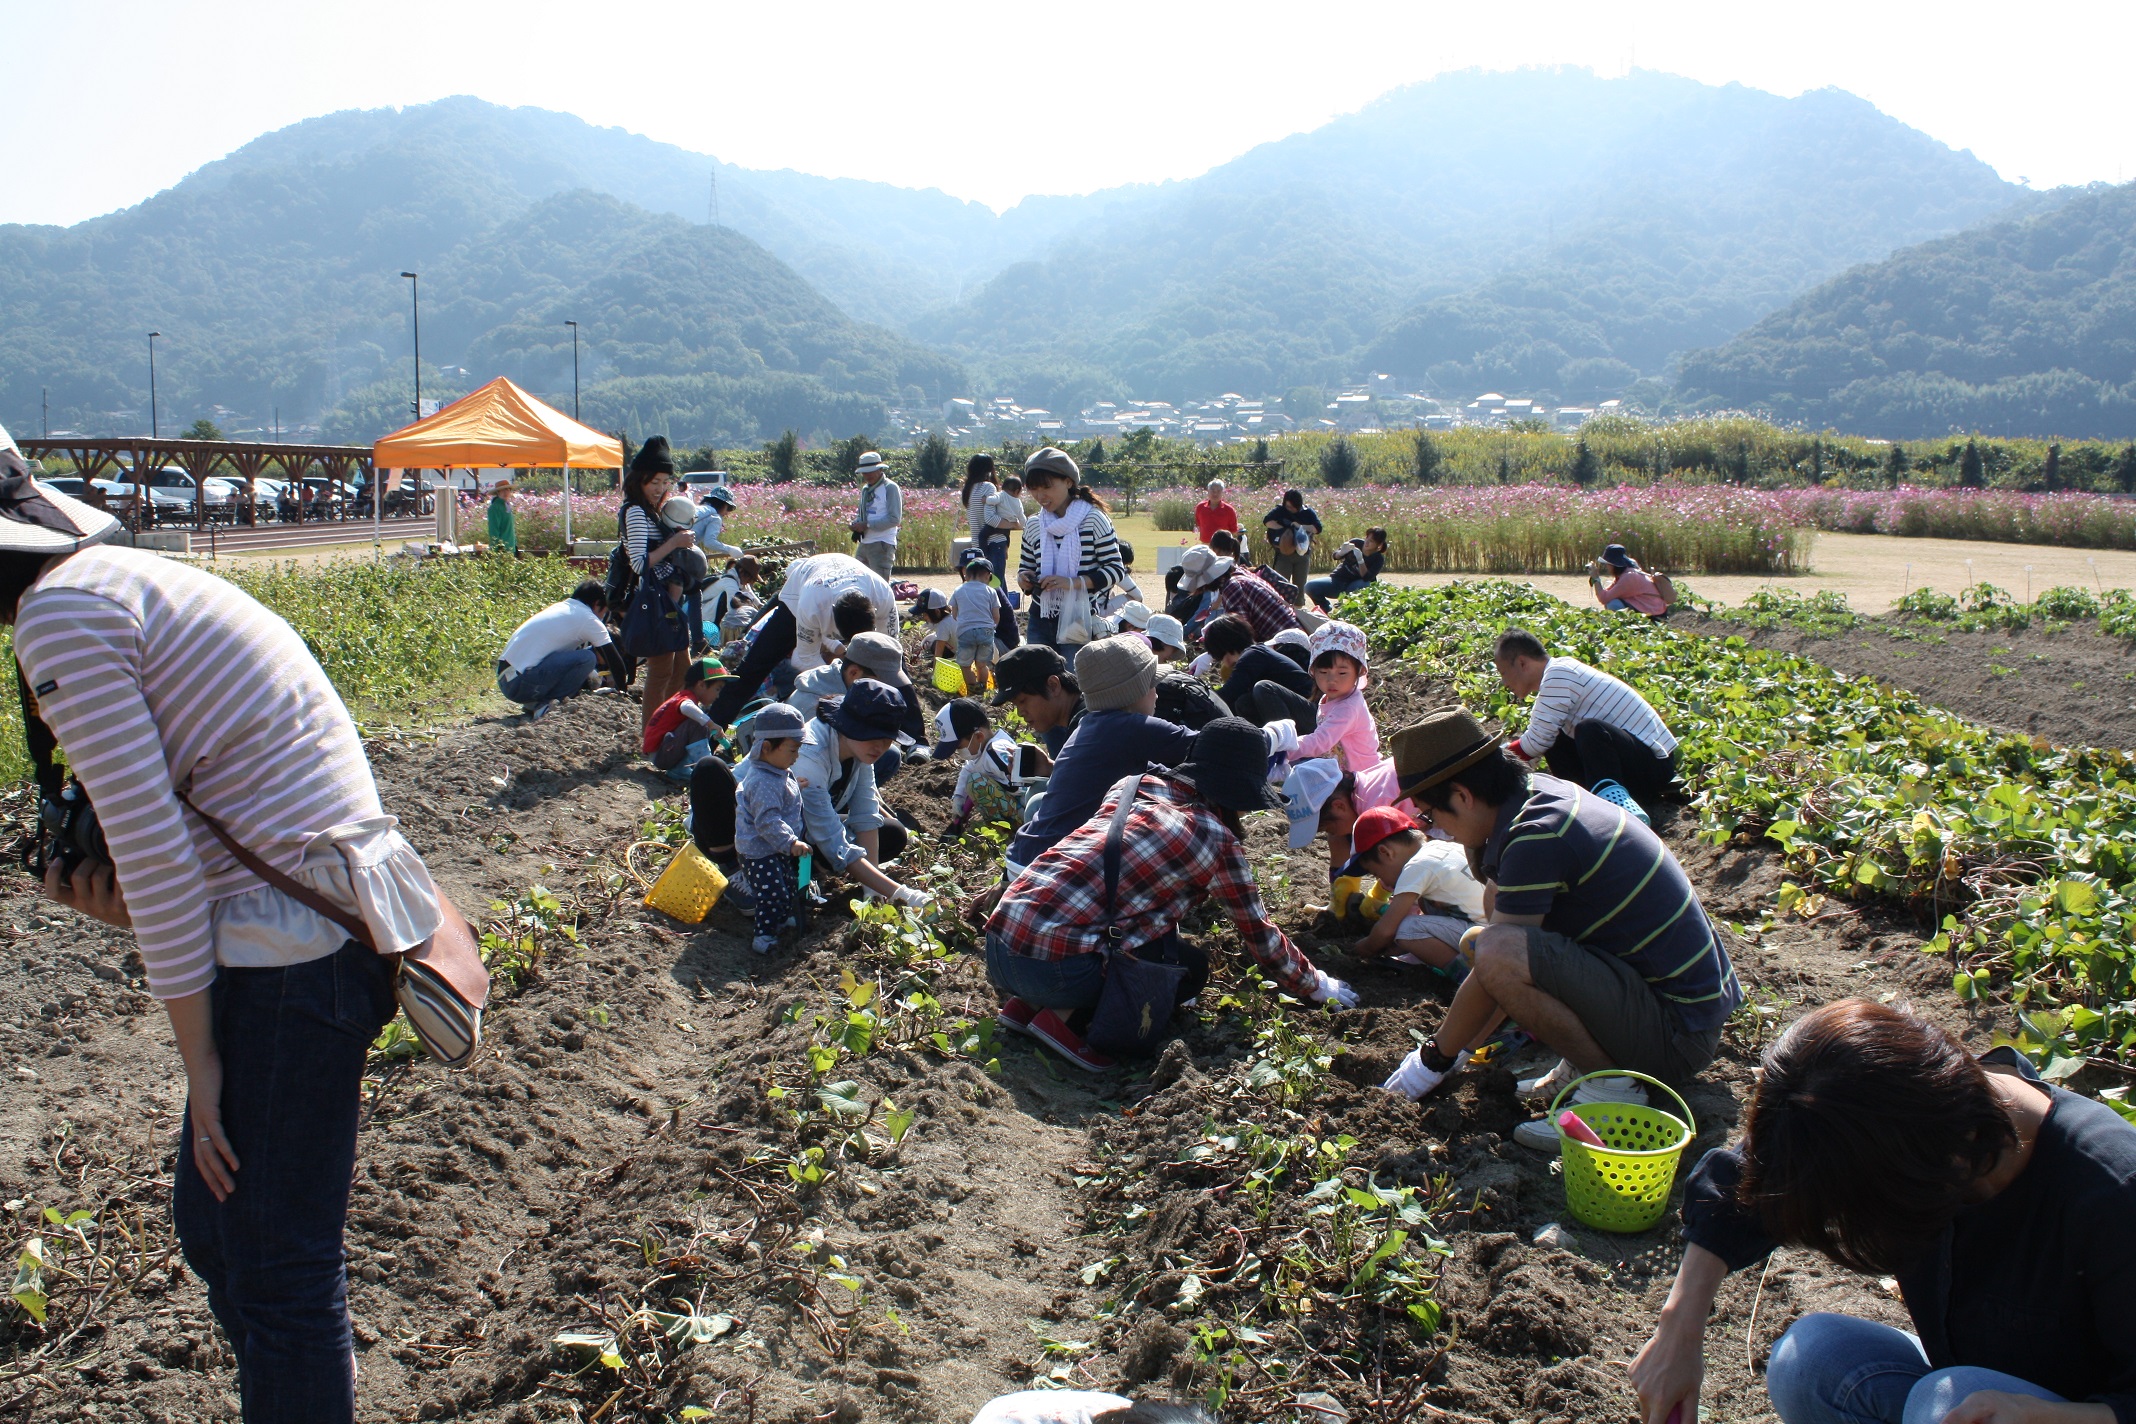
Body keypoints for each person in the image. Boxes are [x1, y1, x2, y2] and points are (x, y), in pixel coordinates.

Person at [4, 434, 445, 1424]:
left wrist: (198, 1061)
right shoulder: (114, 581)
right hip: (315, 923)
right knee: (214, 1227)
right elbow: (185, 834)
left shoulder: (63, 616)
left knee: (277, 1270)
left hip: (293, 951)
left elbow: (157, 853)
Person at [1630, 999, 2136, 1424]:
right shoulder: (1900, 1115)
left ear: (1925, 1174)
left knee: (1951, 1399)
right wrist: (1679, 1329)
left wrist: (2041, 1416)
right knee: (1811, 1357)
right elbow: (1742, 1186)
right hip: (1960, 1389)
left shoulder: (2112, 1192)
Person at [1376, 709, 1742, 1151]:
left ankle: (1612, 1091)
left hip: (1678, 1034)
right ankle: (1591, 1064)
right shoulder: (1538, 795)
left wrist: (1434, 1057)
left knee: (1496, 949)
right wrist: (1463, 1049)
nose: (1437, 831)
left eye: (1432, 814)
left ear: (1464, 795)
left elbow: (1502, 963)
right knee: (1488, 935)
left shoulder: (1537, 835)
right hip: (1678, 1007)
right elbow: (1499, 929)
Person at [986, 717, 1360, 1070]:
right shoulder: (1216, 838)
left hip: (999, 944)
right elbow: (1258, 934)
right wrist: (1315, 984)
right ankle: (1065, 1022)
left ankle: (1027, 1006)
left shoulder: (1133, 785)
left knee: (1112, 914)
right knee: (1188, 970)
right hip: (1054, 972)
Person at [1004, 637, 1199, 874]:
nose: (1157, 695)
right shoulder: (1124, 725)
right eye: (1152, 685)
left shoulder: (1090, 722)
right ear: (1133, 692)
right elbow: (1209, 744)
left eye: (1022, 701)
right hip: (1054, 867)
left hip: (1025, 858)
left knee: (1037, 800)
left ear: (1055, 686)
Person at [1492, 628, 1678, 824]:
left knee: (1590, 729)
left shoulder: (1559, 674)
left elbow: (1534, 743)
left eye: (1504, 673)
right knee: (1556, 739)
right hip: (1632, 767)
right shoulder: (1557, 675)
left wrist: (1493, 761)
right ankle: (1583, 804)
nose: (1504, 682)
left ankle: (1619, 812)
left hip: (1655, 765)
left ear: (1522, 663)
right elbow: (1541, 737)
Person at [702, 549, 895, 728]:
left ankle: (912, 735)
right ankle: (709, 730)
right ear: (832, 621)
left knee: (888, 669)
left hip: (839, 583)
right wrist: (843, 687)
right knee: (753, 669)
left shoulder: (884, 596)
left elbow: (890, 655)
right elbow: (804, 658)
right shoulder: (811, 605)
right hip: (802, 589)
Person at [1340, 807, 1486, 976]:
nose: (1382, 881)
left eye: (1376, 873)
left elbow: (1386, 930)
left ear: (1386, 852)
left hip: (1477, 937)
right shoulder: (1441, 847)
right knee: (1423, 909)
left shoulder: (1415, 866)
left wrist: (1362, 948)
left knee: (1407, 929)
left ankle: (1466, 975)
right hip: (1490, 930)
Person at [620, 437, 700, 731]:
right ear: (639, 479)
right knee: (660, 673)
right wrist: (675, 544)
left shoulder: (652, 511)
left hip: (667, 601)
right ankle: (651, 735)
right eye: (654, 481)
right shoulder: (637, 512)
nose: (660, 488)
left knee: (682, 670)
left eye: (665, 481)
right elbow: (640, 563)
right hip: (655, 602)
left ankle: (666, 728)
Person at [1016, 447, 1125, 652]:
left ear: (1068, 482)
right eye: (1033, 489)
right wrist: (1025, 579)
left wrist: (1073, 583)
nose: (1040, 495)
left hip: (1079, 616)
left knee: (1073, 681)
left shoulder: (1093, 519)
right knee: (1037, 680)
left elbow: (1116, 569)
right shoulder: (1033, 525)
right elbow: (1026, 566)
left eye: (1046, 487)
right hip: (1040, 615)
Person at [734, 702, 811, 957]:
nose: (796, 756)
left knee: (788, 884)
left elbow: (778, 799)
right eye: (792, 749)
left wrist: (795, 787)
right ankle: (764, 936)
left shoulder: (777, 771)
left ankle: (782, 919)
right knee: (772, 893)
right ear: (767, 747)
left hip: (774, 845)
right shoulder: (764, 780)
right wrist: (791, 843)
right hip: (759, 850)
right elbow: (767, 820)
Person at [498, 580, 632, 718]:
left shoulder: (562, 608)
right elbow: (614, 660)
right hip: (519, 683)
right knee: (587, 658)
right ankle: (547, 705)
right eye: (604, 612)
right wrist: (622, 691)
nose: (603, 617)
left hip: (507, 679)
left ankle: (534, 702)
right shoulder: (588, 619)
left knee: (583, 655)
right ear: (597, 604)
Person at [1281, 754, 1419, 876]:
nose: (1332, 833)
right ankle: (1341, 895)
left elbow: (1399, 866)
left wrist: (1383, 898)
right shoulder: (1363, 788)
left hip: (1436, 817)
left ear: (1339, 806)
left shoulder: (1377, 811)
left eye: (1328, 828)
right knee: (1339, 839)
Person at [1285, 619, 1378, 772]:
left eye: (1342, 673)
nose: (1332, 680)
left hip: (1360, 776)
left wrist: (1284, 749)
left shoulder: (1348, 707)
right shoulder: (1329, 698)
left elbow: (1320, 741)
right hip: (1341, 771)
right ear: (1313, 670)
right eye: (1323, 672)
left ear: (1360, 671)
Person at [1202, 613, 1316, 727]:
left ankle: (1285, 740)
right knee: (1244, 702)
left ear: (1225, 647)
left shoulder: (1253, 655)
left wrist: (1199, 701)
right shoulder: (1258, 653)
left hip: (1311, 712)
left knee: (1263, 688)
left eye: (1221, 657)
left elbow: (1228, 693)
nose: (1224, 663)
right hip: (1302, 711)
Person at [1176, 544, 1299, 643]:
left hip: (1287, 648)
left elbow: (1241, 640)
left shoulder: (1232, 589)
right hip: (1291, 639)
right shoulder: (1239, 573)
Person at [942, 699, 1030, 835]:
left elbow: (1022, 788)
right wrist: (959, 796)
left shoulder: (995, 752)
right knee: (974, 779)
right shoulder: (986, 750)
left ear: (978, 737)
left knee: (977, 783)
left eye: (959, 747)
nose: (958, 752)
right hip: (1020, 806)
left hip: (1028, 812)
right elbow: (968, 769)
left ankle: (1008, 832)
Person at [642, 657, 739, 777]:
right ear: (702, 685)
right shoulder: (686, 699)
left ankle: (681, 769)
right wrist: (710, 724)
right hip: (661, 754)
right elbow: (685, 707)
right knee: (698, 723)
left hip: (663, 751)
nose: (718, 695)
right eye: (717, 689)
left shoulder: (683, 697)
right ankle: (708, 770)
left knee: (699, 721)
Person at [992, 643, 1084, 758]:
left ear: (1053, 685)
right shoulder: (1083, 718)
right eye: (1015, 705)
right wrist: (1049, 769)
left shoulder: (1086, 729)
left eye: (1022, 701)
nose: (1020, 713)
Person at [951, 548, 1004, 695]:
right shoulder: (990, 591)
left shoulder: (958, 590)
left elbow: (954, 613)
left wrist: (963, 621)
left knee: (965, 665)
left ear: (966, 575)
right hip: (986, 631)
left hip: (965, 631)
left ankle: (972, 688)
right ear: (988, 576)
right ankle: (982, 686)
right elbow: (996, 615)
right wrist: (992, 626)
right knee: (982, 664)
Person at [1306, 527, 1387, 612]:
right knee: (1310, 586)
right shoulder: (1356, 543)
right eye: (1367, 538)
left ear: (1379, 545)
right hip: (1338, 580)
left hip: (1356, 586)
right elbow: (1335, 556)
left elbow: (1366, 578)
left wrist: (1360, 560)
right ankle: (1325, 609)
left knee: (1365, 585)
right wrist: (1341, 552)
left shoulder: (1378, 559)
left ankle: (1352, 609)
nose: (1367, 542)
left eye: (1371, 541)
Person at [850, 450, 901, 581]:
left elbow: (894, 519)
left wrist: (866, 525)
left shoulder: (890, 488)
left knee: (880, 585)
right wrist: (856, 524)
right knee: (858, 581)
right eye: (865, 472)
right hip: (865, 542)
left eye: (871, 471)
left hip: (882, 543)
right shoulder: (866, 490)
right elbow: (865, 513)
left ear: (880, 470)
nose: (867, 475)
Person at [1262, 488, 1322, 591]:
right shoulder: (1280, 510)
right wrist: (1285, 529)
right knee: (1281, 585)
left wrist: (1300, 527)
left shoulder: (1308, 512)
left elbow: (1317, 528)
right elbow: (1267, 521)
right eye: (1288, 506)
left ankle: (1298, 606)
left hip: (1302, 554)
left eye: (1293, 507)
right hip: (1283, 554)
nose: (1290, 509)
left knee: (1300, 585)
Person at [1591, 543, 1667, 616]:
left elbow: (1604, 598)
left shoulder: (1629, 577)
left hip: (1654, 613)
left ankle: (1626, 625)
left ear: (1613, 565)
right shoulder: (1626, 574)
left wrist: (1596, 578)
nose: (1607, 567)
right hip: (1654, 609)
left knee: (1612, 603)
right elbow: (1606, 594)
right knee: (1613, 601)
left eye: (1607, 564)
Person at [962, 454, 1005, 579]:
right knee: (996, 586)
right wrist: (1014, 524)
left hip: (976, 544)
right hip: (994, 542)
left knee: (986, 584)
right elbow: (990, 518)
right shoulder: (988, 487)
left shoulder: (968, 490)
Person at [702, 553, 761, 646]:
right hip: (706, 614)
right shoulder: (729, 581)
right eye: (749, 578)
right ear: (741, 571)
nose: (749, 582)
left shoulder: (741, 581)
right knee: (736, 601)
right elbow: (733, 609)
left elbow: (754, 599)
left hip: (714, 611)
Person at [986, 474, 1027, 588]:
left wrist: (986, 500)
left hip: (997, 525)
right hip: (1006, 532)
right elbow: (1022, 518)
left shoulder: (1002, 495)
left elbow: (992, 500)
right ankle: (1005, 551)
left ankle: (983, 551)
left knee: (982, 535)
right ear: (1017, 490)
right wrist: (1023, 527)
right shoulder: (1018, 502)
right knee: (1005, 541)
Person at [691, 483, 745, 560]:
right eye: (728, 508)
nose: (727, 513)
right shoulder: (714, 517)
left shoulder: (699, 509)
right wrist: (730, 550)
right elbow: (709, 542)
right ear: (722, 504)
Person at [1194, 479, 1239, 545]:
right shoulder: (1200, 507)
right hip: (1205, 545)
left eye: (1218, 491)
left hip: (1222, 547)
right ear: (1208, 491)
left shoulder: (1229, 510)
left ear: (1222, 492)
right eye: (1212, 490)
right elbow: (1199, 524)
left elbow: (1234, 531)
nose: (1215, 493)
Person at [486, 478, 518, 555]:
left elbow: (509, 528)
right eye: (503, 490)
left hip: (510, 547)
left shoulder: (507, 505)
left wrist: (515, 544)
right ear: (498, 492)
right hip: (502, 549)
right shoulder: (495, 508)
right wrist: (496, 549)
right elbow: (494, 530)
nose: (506, 492)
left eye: (507, 490)